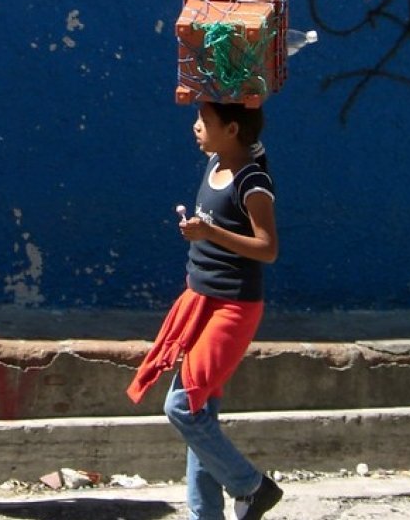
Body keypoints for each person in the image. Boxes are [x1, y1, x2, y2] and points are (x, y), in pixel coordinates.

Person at [127, 101, 283, 520]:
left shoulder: (253, 180)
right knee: (200, 409)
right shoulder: (218, 158)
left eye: (205, 121)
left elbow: (268, 248)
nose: (196, 128)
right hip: (200, 299)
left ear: (232, 129)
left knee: (180, 406)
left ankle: (252, 486)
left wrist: (210, 231)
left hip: (233, 305)